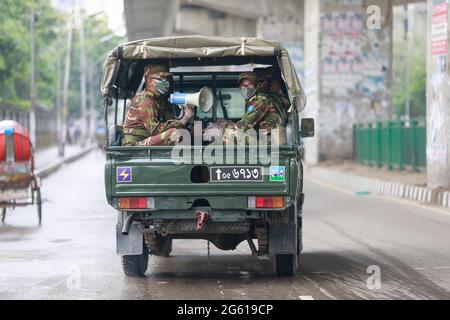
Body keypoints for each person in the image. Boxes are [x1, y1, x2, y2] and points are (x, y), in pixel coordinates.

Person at [122, 64, 194, 146]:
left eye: (167, 79)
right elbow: (155, 130)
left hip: (147, 140)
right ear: (149, 81)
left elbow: (168, 123)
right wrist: (182, 121)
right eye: (161, 79)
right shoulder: (146, 100)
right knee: (174, 133)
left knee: (185, 132)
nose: (166, 82)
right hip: (135, 145)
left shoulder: (160, 100)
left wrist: (186, 118)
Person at [223, 71, 290, 144]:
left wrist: (227, 127)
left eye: (250, 85)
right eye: (243, 85)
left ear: (256, 86)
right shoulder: (255, 100)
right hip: (266, 138)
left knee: (230, 133)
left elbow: (246, 123)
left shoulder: (261, 99)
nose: (246, 88)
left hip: (271, 141)